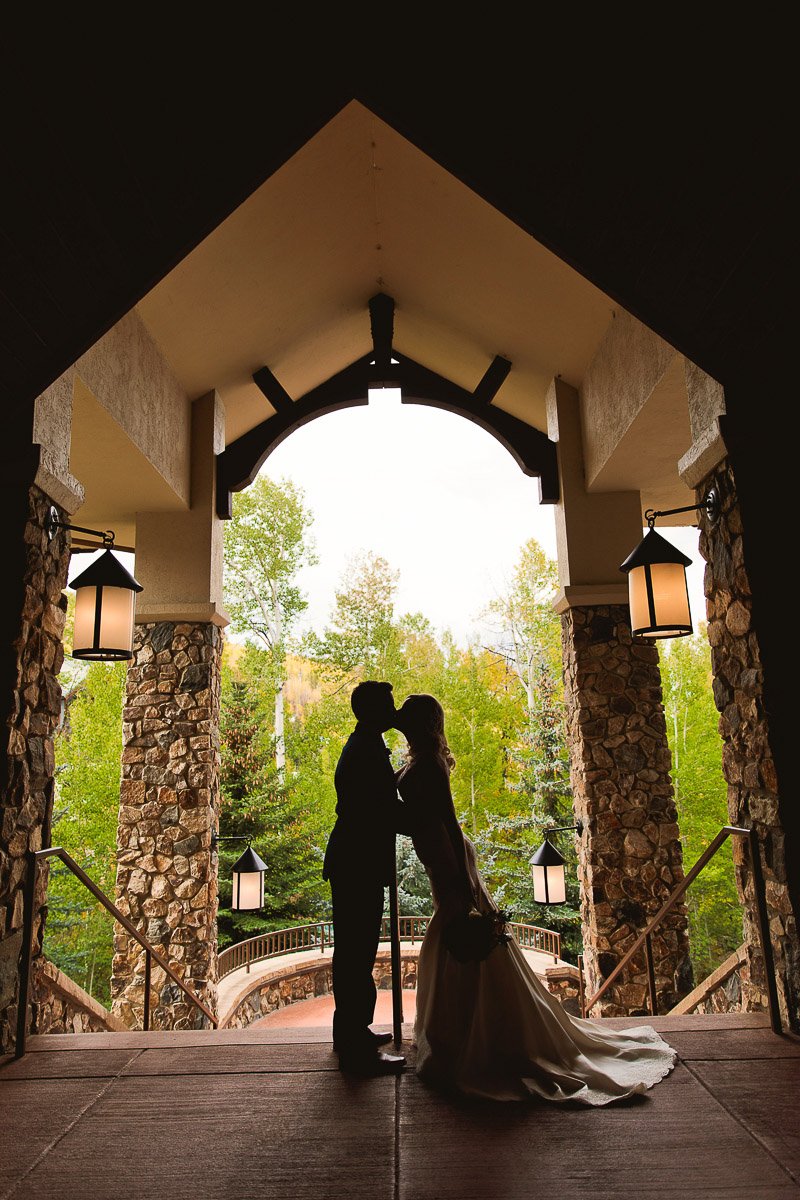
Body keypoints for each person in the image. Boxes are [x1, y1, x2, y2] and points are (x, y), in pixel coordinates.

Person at [394, 692, 678, 1105]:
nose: (398, 716)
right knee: (452, 935)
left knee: (458, 933)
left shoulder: (431, 765)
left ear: (419, 722)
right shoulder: (413, 760)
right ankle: (457, 1032)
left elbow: (449, 821)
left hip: (449, 857)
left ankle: (481, 1037)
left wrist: (469, 880)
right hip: (435, 853)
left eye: (406, 712)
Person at [322, 680, 407, 1076]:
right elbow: (384, 811)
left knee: (357, 951)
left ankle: (353, 1031)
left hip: (355, 861)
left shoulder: (365, 745)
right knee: (356, 952)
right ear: (372, 710)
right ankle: (356, 1049)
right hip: (357, 863)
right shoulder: (366, 751)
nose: (393, 711)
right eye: (388, 705)